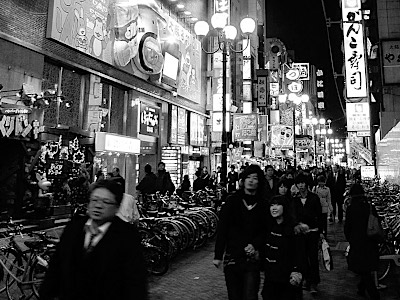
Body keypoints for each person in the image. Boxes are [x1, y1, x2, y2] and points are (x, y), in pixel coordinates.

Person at [40, 179, 147, 300]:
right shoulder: (74, 228)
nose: (98, 205)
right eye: (94, 200)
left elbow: (136, 283)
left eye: (106, 202)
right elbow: (55, 268)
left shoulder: (127, 236)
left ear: (117, 207)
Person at [213, 164, 268, 300]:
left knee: (250, 294)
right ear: (242, 181)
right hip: (233, 256)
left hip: (252, 258)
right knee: (234, 295)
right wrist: (218, 255)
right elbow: (223, 228)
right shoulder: (232, 201)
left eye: (254, 178)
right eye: (247, 177)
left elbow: (266, 229)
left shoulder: (263, 204)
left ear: (259, 182)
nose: (250, 180)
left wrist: (255, 245)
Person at [261, 195, 305, 300]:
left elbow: (300, 253)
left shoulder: (294, 229)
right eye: (272, 205)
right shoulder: (268, 226)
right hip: (270, 278)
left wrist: (297, 272)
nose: (274, 208)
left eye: (277, 205)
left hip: (287, 278)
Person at [344, 184, 380, 300]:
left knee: (362, 268)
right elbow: (376, 221)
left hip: (357, 241)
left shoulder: (351, 208)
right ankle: (361, 288)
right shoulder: (369, 206)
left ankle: (374, 295)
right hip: (370, 239)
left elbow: (347, 227)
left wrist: (349, 239)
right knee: (366, 267)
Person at [291, 173, 323, 294]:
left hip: (313, 232)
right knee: (302, 258)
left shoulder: (314, 198)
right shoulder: (294, 199)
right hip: (300, 234)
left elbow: (320, 216)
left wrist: (321, 231)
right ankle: (306, 279)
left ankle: (314, 282)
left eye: (303, 183)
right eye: (299, 183)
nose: (301, 185)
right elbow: (292, 216)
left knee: (313, 258)